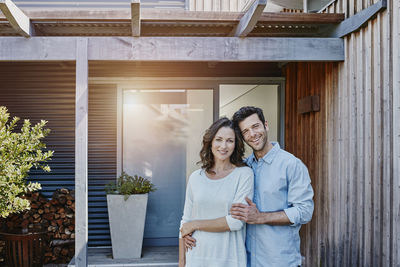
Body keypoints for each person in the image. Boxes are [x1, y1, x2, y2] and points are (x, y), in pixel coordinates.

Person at [230, 106, 314, 267]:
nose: (252, 134)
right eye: (246, 131)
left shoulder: (292, 165)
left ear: (265, 125)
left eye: (255, 126)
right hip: (245, 260)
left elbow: (304, 211)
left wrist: (261, 217)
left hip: (279, 261)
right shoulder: (243, 168)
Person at [179, 117, 254, 267]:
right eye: (219, 139)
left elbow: (236, 222)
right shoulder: (195, 177)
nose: (223, 146)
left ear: (236, 144)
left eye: (230, 141)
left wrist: (195, 224)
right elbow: (184, 223)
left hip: (230, 260)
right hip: (196, 259)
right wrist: (182, 263)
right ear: (211, 142)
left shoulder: (244, 174)